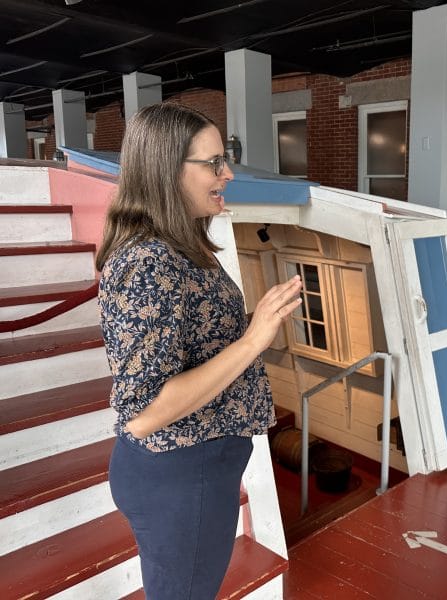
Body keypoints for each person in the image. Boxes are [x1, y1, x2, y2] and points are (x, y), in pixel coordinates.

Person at [95, 102, 302, 599]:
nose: (227, 174)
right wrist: (253, 340)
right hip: (184, 476)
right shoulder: (149, 261)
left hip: (194, 471)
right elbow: (144, 413)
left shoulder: (178, 245)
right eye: (213, 163)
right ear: (167, 170)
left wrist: (251, 326)